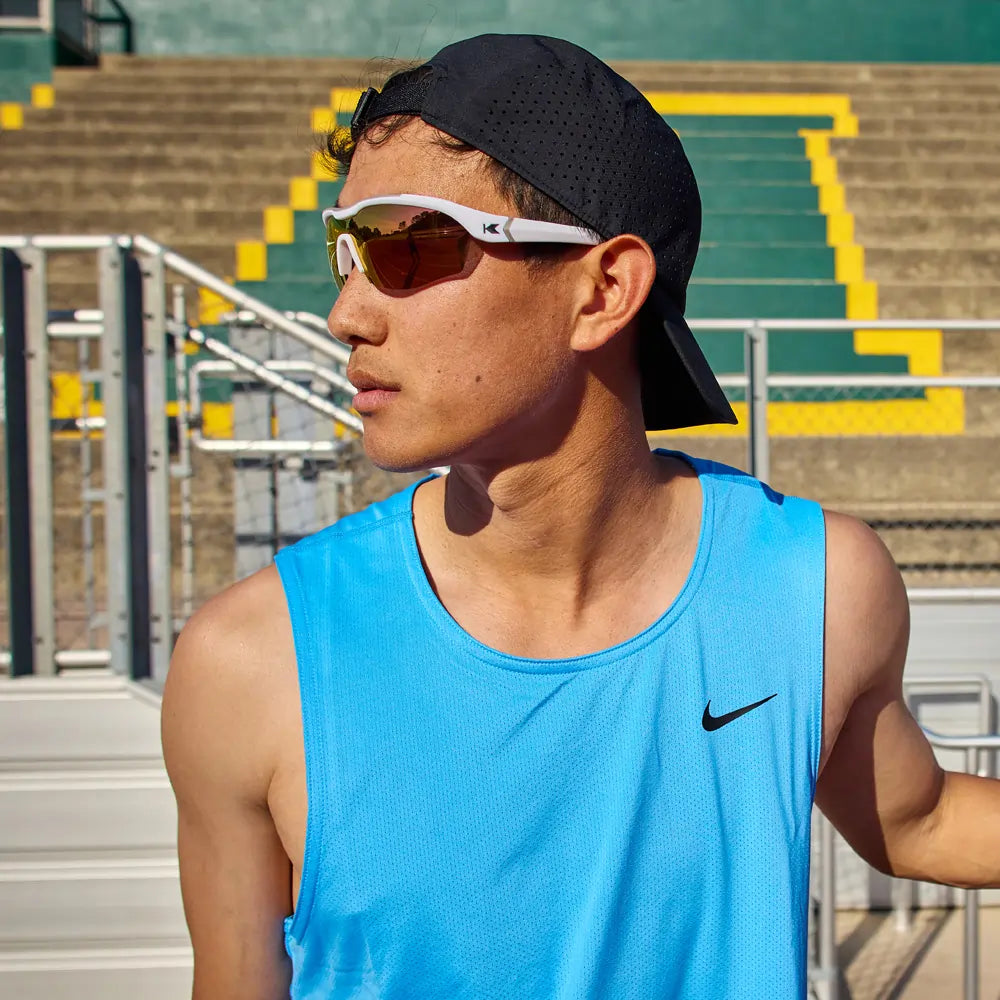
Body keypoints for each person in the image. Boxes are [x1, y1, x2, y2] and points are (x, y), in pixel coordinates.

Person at [161, 33, 1000, 1000]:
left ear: (603, 290)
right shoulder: (249, 661)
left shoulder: (816, 590)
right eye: (347, 251)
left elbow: (919, 820)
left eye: (407, 246)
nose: (346, 313)